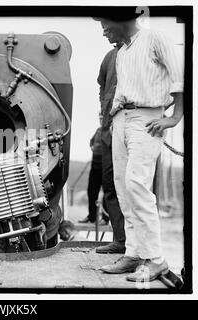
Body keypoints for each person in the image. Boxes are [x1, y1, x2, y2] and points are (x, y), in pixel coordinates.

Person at [95, 9, 184, 282]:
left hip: (147, 118)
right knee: (123, 188)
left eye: (105, 23)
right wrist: (111, 119)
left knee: (137, 184)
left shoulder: (155, 38)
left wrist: (175, 116)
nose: (103, 30)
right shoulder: (121, 53)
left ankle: (155, 258)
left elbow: (181, 76)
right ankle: (134, 252)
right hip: (121, 119)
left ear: (121, 18)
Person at [92, 18, 127, 254]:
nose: (103, 31)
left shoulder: (137, 52)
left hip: (130, 128)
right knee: (110, 185)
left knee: (131, 186)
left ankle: (138, 244)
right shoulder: (109, 57)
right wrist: (105, 117)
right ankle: (121, 240)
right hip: (107, 130)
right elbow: (102, 88)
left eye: (106, 24)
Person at [79, 113, 109, 225]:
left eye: (103, 118)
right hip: (95, 166)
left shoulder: (110, 130)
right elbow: (91, 141)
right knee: (91, 191)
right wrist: (92, 147)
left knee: (107, 193)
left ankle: (106, 219)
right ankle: (92, 217)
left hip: (106, 166)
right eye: (100, 118)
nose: (101, 120)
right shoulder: (98, 130)